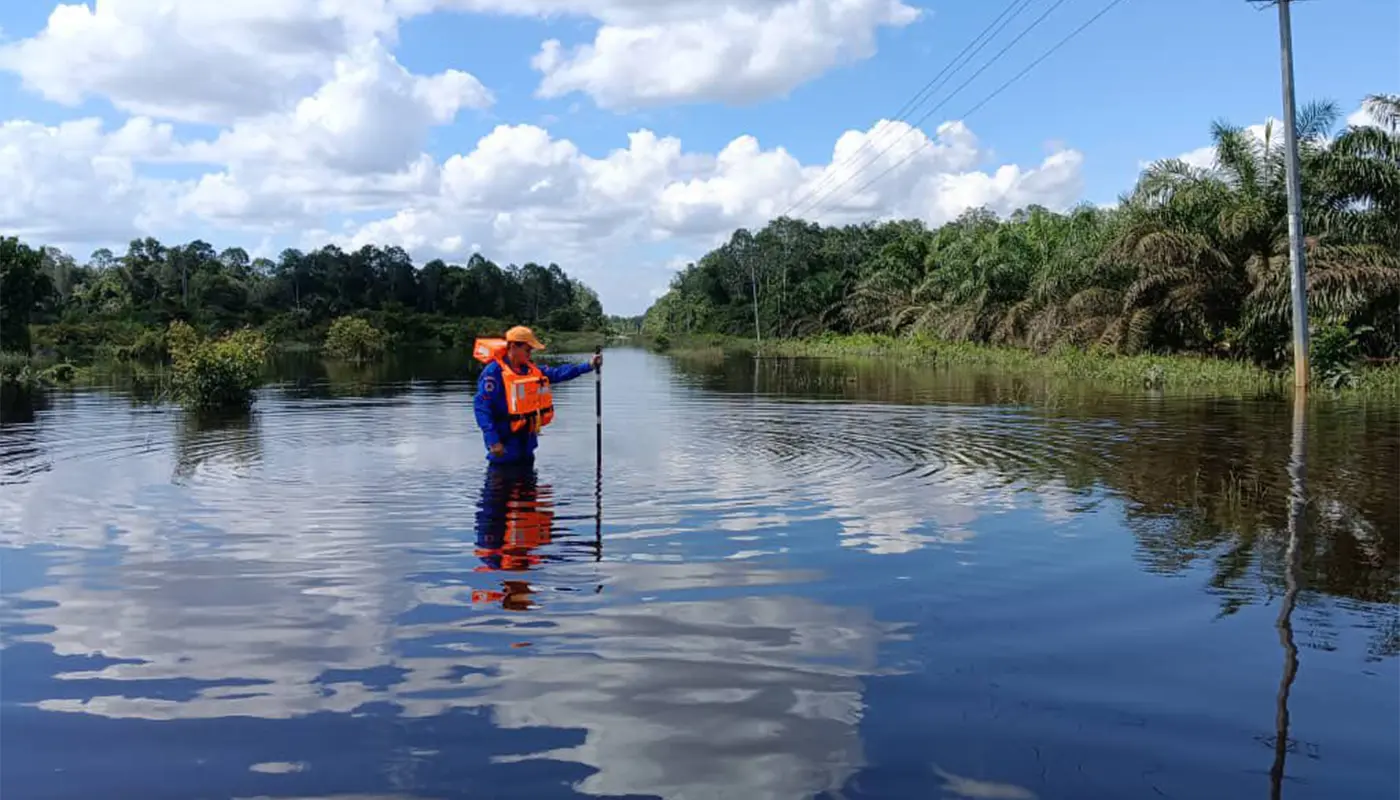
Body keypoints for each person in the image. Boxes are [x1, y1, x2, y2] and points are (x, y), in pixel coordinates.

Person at [472, 325, 601, 465]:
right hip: (504, 450)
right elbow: (481, 407)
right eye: (527, 350)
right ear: (513, 347)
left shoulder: (529, 369)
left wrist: (589, 365)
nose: (530, 354)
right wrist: (493, 441)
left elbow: (557, 373)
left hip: (526, 447)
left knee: (529, 485)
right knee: (501, 484)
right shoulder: (493, 373)